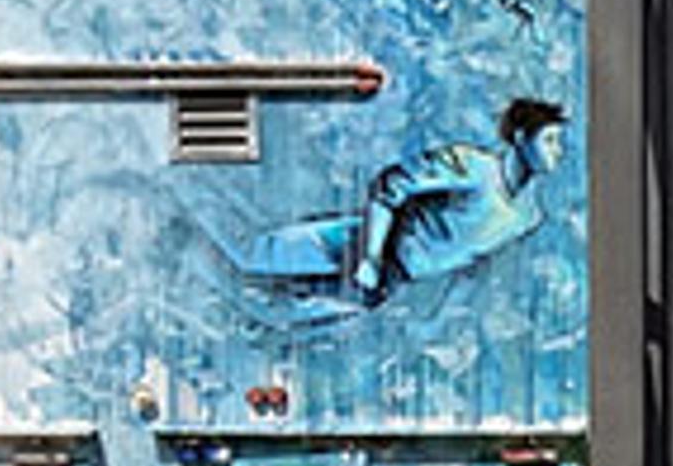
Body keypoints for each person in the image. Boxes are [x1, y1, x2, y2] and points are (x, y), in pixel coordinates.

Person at [226, 97, 568, 311]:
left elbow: (475, 265)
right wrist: (371, 258)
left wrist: (437, 311)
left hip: (393, 283)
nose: (558, 152)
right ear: (521, 137)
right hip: (355, 244)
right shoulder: (474, 167)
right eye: (550, 140)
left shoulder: (528, 215)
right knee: (253, 255)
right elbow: (391, 185)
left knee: (274, 309)